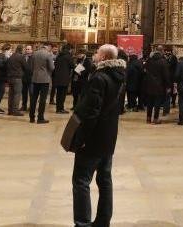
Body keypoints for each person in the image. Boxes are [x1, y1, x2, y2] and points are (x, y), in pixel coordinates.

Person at [69, 43, 127, 227]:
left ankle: (82, 223)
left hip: (93, 139)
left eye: (96, 53)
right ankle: (103, 221)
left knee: (81, 181)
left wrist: (82, 139)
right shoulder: (120, 77)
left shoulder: (99, 78)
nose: (94, 55)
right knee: (105, 180)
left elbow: (91, 113)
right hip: (109, 137)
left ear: (103, 58)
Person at [141, 49, 170, 124]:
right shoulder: (163, 62)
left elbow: (144, 71)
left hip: (149, 85)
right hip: (159, 86)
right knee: (157, 103)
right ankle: (155, 118)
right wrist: (168, 85)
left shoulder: (149, 61)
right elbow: (166, 75)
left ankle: (148, 118)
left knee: (149, 103)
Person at [30, 42, 55, 124]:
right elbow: (52, 67)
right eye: (51, 48)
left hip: (35, 78)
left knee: (34, 98)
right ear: (48, 46)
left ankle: (32, 117)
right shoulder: (48, 55)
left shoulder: (35, 53)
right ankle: (40, 118)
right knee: (42, 99)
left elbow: (32, 66)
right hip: (44, 79)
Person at [4, 44, 27, 116]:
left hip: (10, 78)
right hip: (17, 78)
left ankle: (10, 110)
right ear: (21, 50)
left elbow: (7, 66)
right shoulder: (21, 57)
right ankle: (15, 110)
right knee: (17, 94)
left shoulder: (11, 56)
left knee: (11, 94)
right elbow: (25, 66)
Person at [53, 44, 75, 114]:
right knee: (62, 95)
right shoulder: (68, 56)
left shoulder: (58, 56)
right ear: (69, 49)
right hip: (64, 78)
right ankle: (61, 109)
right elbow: (73, 66)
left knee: (58, 94)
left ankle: (58, 108)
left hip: (57, 78)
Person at [21, 44, 34, 111]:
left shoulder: (34, 57)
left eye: (29, 49)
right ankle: (24, 105)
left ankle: (31, 106)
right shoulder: (23, 57)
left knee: (31, 93)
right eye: (26, 49)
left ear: (32, 50)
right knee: (24, 93)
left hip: (31, 78)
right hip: (24, 78)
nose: (27, 50)